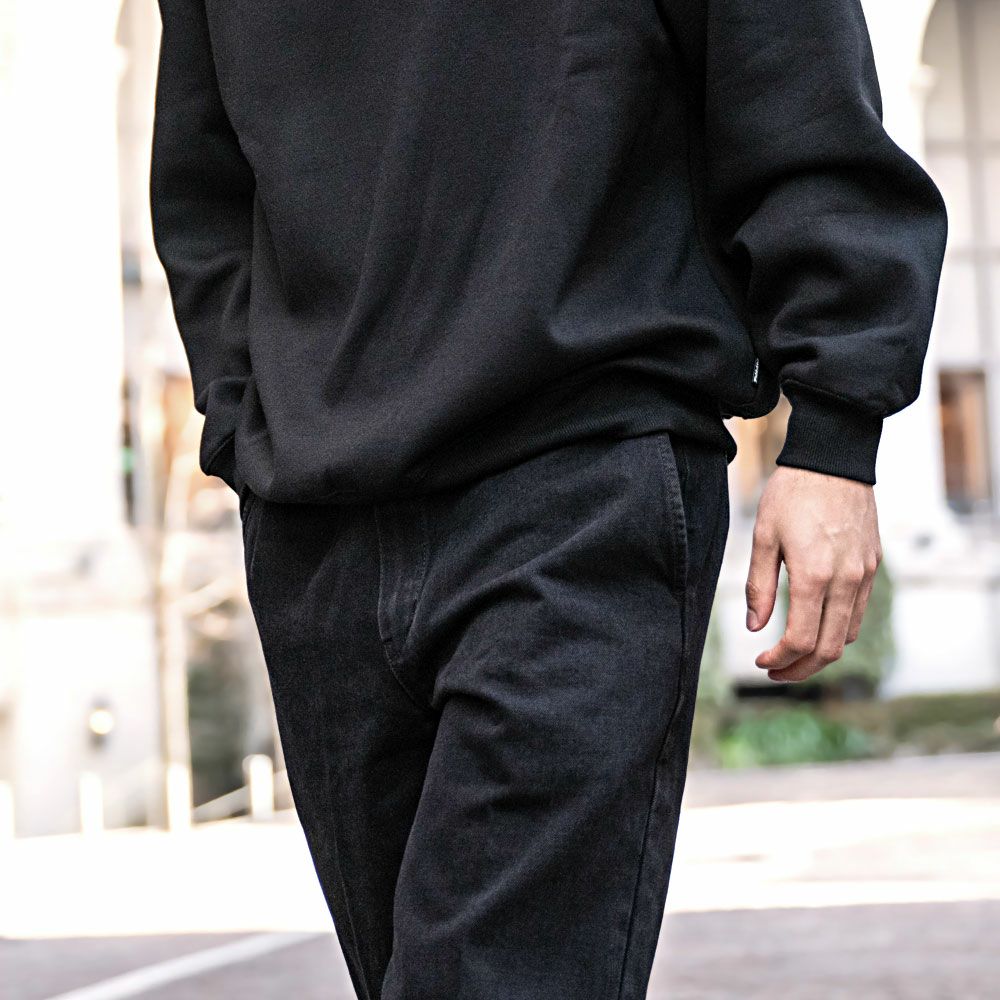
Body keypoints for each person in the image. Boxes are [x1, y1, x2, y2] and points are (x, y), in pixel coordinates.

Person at [149, 1, 947, 996]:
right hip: (320, 526)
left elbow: (795, 80)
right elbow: (201, 175)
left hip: (580, 472)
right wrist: (245, 419)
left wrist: (834, 431)